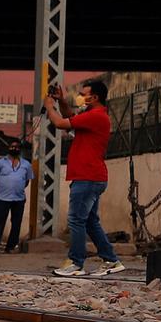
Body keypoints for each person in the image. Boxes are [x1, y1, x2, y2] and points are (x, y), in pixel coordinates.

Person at [43, 77, 125, 278]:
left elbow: (61, 123)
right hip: (91, 176)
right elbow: (71, 117)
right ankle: (111, 260)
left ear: (95, 97)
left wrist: (48, 107)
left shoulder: (96, 116)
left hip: (87, 176)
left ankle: (76, 262)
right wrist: (61, 101)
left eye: (84, 94)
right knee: (89, 221)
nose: (81, 97)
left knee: (76, 220)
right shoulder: (92, 115)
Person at [0, 139, 32, 255]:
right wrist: (0, 190)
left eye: (16, 147)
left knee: (16, 223)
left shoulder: (26, 164)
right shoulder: (0, 163)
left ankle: (10, 247)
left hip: (19, 199)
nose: (14, 149)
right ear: (8, 148)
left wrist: (18, 188)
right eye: (12, 146)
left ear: (20, 149)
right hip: (2, 198)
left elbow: (27, 181)